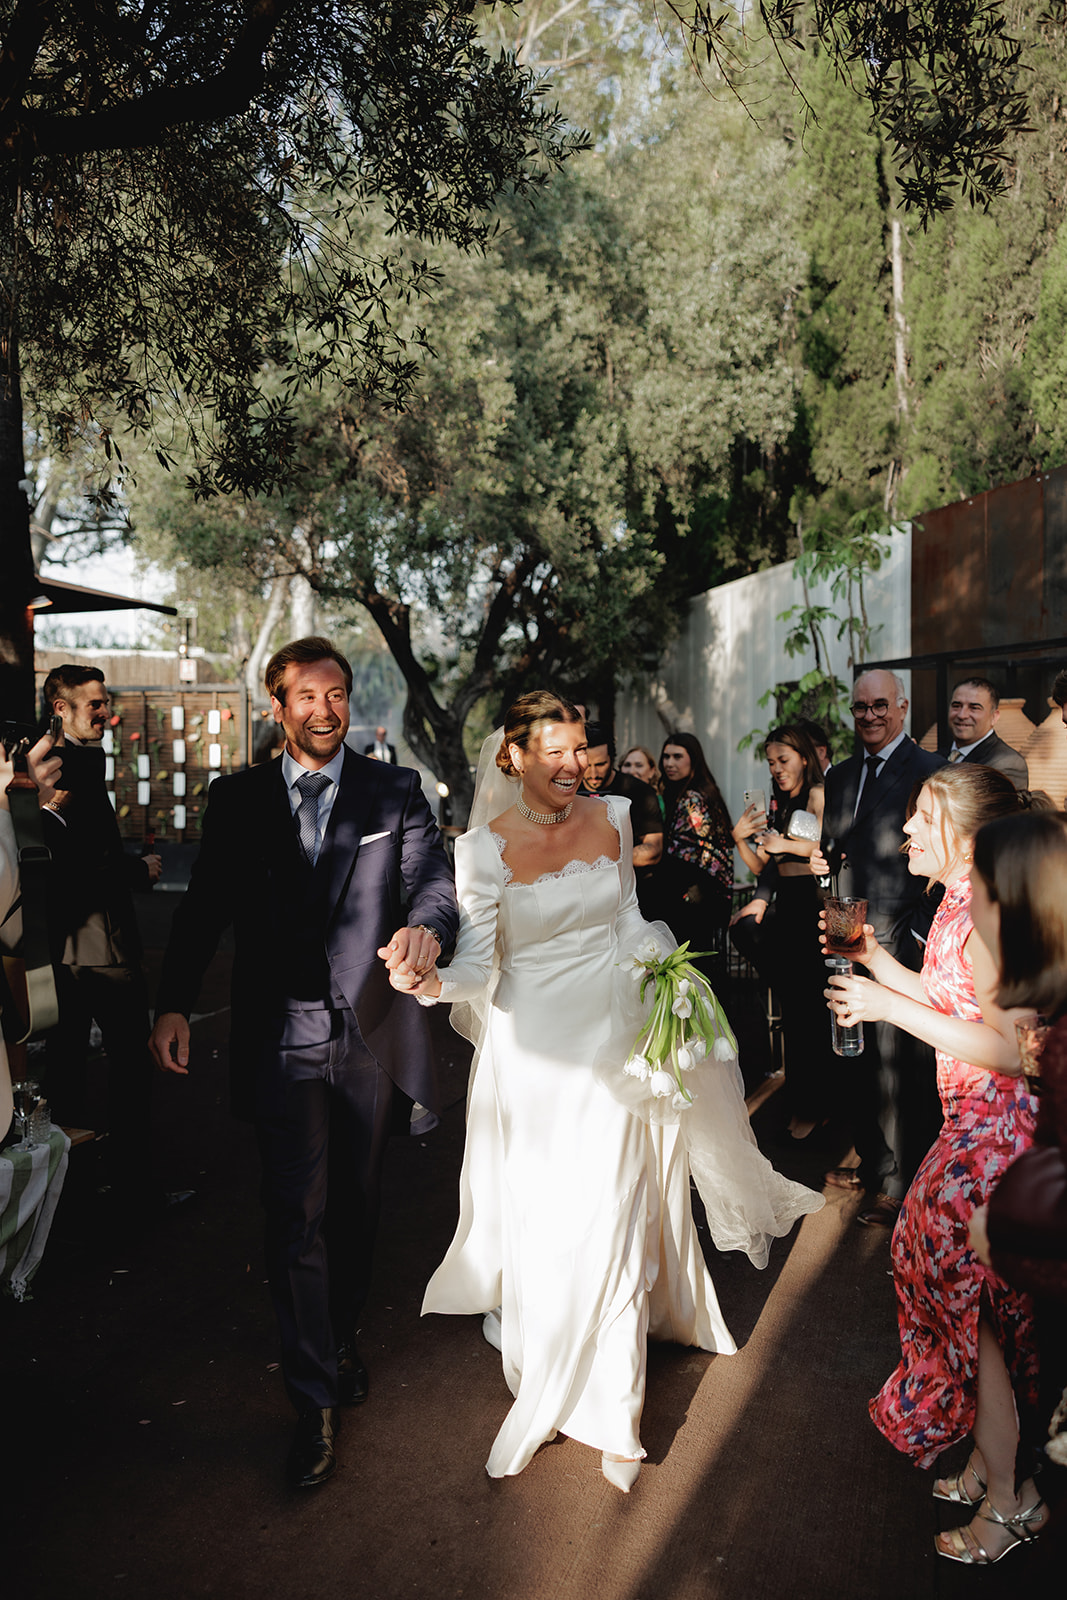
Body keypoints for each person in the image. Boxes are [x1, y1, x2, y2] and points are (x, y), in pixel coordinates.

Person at [390, 691, 823, 1491]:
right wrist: (427, 982)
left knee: (615, 1207)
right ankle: (551, 1353)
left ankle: (616, 1414)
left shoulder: (615, 815)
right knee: (551, 1219)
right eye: (552, 751)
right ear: (512, 758)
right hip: (531, 1059)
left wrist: (663, 978)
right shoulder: (480, 849)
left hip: (617, 1044)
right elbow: (479, 968)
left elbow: (625, 916)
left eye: (579, 747)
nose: (572, 764)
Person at [149, 636, 458, 1490]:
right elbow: (204, 908)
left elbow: (432, 883)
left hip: (369, 1033)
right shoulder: (237, 799)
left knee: (356, 1205)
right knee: (296, 1214)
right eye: (309, 697)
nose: (327, 710)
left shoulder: (394, 790)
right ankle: (313, 1399)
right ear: (277, 707)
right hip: (280, 1032)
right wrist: (172, 1002)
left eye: (337, 695)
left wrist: (427, 928)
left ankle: (340, 1331)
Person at [824, 765, 1045, 1563]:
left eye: (923, 815)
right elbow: (948, 997)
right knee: (963, 1309)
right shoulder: (957, 899)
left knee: (969, 1313)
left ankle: (1011, 1501)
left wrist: (886, 1007)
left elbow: (1010, 1050)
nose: (906, 829)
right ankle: (992, 1465)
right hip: (970, 1125)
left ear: (968, 833)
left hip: (997, 1133)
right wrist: (874, 962)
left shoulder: (989, 908)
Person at [814, 668, 945, 1227]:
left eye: (880, 706)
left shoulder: (931, 770)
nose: (869, 715)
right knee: (855, 1055)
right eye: (860, 707)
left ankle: (900, 1184)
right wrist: (821, 864)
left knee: (898, 1066)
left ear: (903, 707)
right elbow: (834, 848)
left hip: (900, 941)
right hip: (846, 932)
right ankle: (873, 1163)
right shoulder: (842, 774)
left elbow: (943, 862)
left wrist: (918, 933)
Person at [39, 666, 164, 1198]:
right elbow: (68, 865)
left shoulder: (73, 761)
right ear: (61, 708)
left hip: (71, 946)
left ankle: (67, 1190)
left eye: (105, 701)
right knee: (129, 1065)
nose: (106, 712)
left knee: (67, 1069)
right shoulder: (58, 769)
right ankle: (131, 1188)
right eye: (95, 704)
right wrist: (138, 869)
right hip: (99, 947)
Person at [731, 726, 834, 1137]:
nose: (776, 768)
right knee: (794, 1010)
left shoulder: (817, 794)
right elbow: (762, 866)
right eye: (771, 762)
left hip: (813, 903)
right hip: (787, 904)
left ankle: (817, 1107)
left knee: (811, 1010)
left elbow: (824, 844)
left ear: (804, 758)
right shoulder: (779, 803)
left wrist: (783, 845)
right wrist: (740, 839)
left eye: (783, 760)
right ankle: (800, 1103)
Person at [659, 732, 735, 967]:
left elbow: (698, 850)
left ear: (693, 759)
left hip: (697, 892)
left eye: (677, 756)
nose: (669, 763)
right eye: (666, 756)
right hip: (699, 889)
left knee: (692, 962)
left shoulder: (692, 798)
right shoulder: (693, 790)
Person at [581, 724, 664, 920]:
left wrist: (601, 860)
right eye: (587, 765)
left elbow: (654, 850)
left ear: (612, 759)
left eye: (601, 764)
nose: (593, 773)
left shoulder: (640, 791)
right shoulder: (566, 791)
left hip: (633, 894)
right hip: (582, 895)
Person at [941, 677, 1028, 788]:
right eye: (956, 706)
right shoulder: (938, 756)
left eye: (974, 708)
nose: (962, 715)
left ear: (994, 717)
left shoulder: (1007, 763)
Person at [620, 746, 665, 814]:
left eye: (639, 765)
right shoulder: (612, 799)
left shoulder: (657, 802)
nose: (631, 771)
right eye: (627, 765)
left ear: (651, 771)